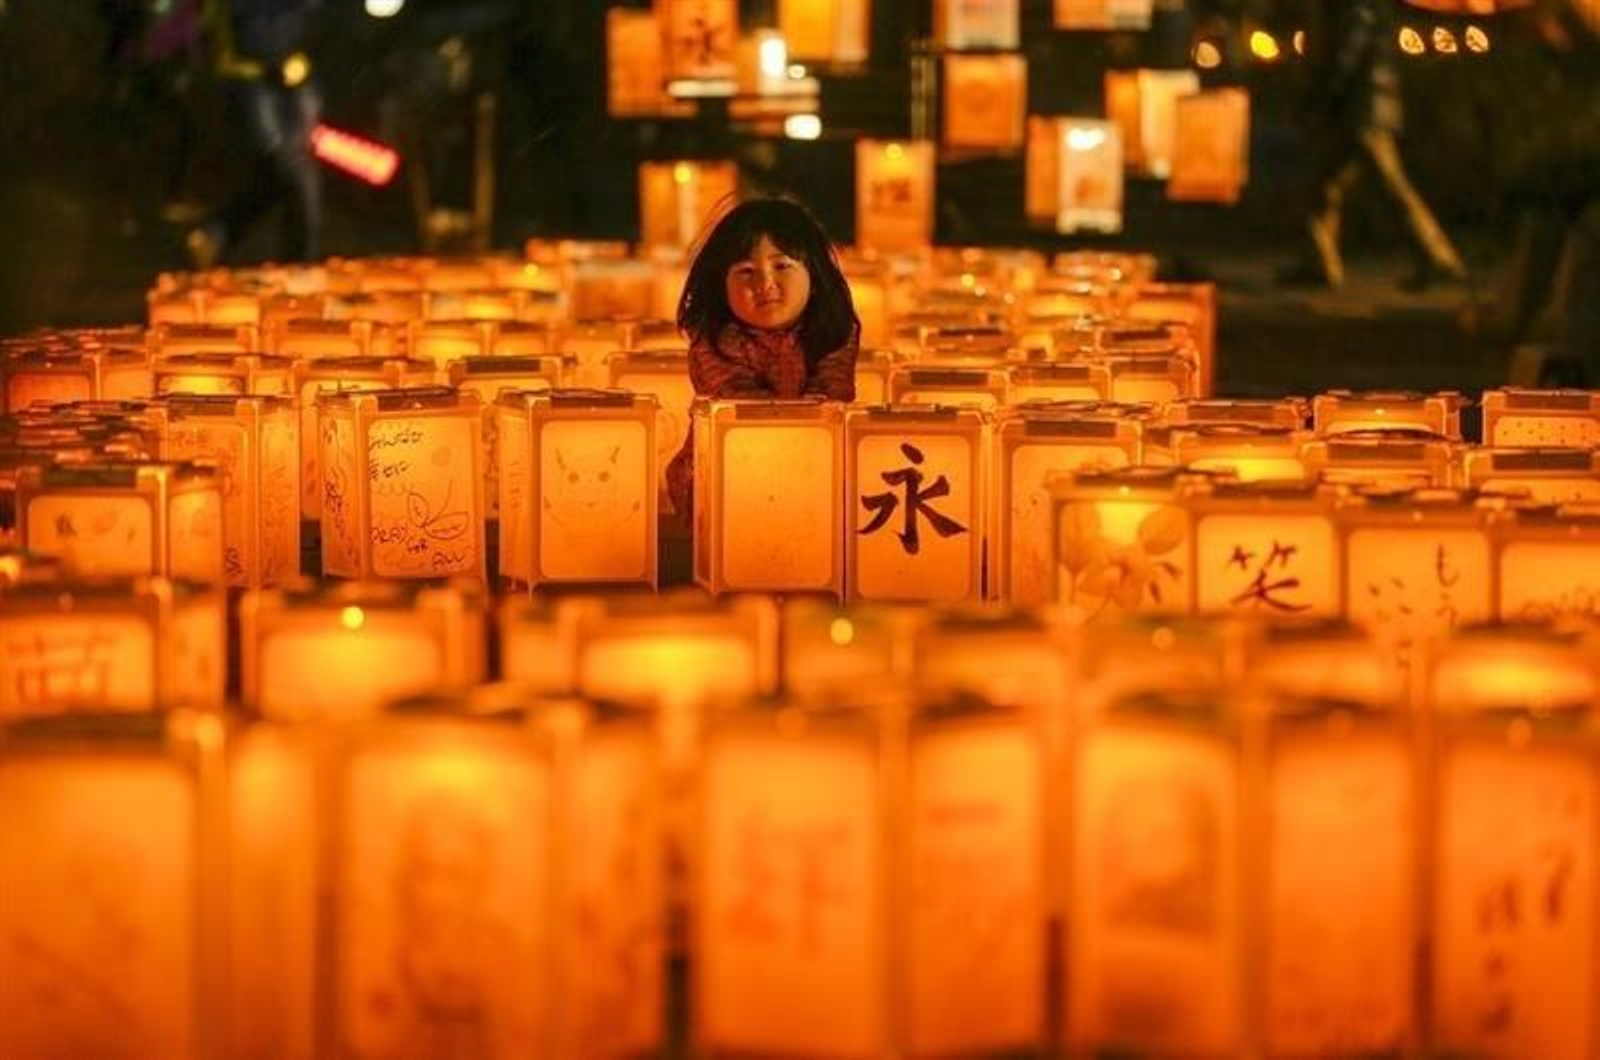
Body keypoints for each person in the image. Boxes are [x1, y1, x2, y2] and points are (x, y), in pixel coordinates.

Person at [664, 197, 861, 520]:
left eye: (781, 266)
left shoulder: (834, 330)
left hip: (816, 452)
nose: (765, 283)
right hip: (731, 461)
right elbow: (741, 404)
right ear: (722, 285)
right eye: (746, 271)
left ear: (813, 276)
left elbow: (832, 393)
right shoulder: (715, 339)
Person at [1280, 0, 1468, 290]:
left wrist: (1322, 96)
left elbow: (1347, 51)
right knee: (1328, 185)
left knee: (1380, 186)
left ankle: (1438, 258)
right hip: (1366, 104)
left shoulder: (1355, 7)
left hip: (1360, 107)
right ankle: (1320, 262)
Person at [186, 0, 323, 266]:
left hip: (296, 78)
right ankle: (299, 263)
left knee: (289, 169)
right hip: (250, 76)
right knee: (285, 165)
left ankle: (217, 232)